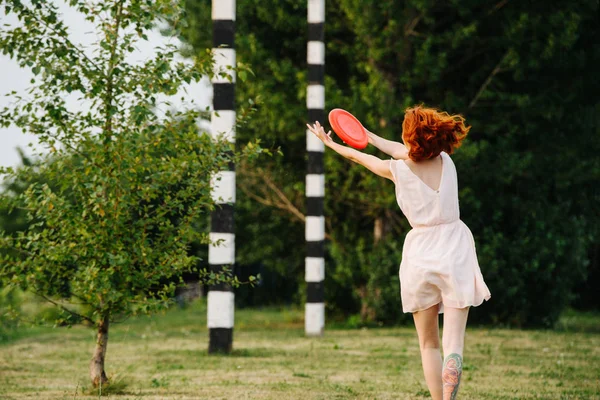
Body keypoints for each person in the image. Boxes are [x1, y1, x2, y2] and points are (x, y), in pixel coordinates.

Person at [306, 105, 491, 400]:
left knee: (428, 344)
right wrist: (368, 135)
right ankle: (452, 382)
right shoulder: (446, 161)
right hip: (455, 246)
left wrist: (330, 143)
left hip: (420, 253)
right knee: (453, 342)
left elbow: (360, 156)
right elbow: (401, 150)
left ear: (410, 139)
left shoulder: (398, 170)